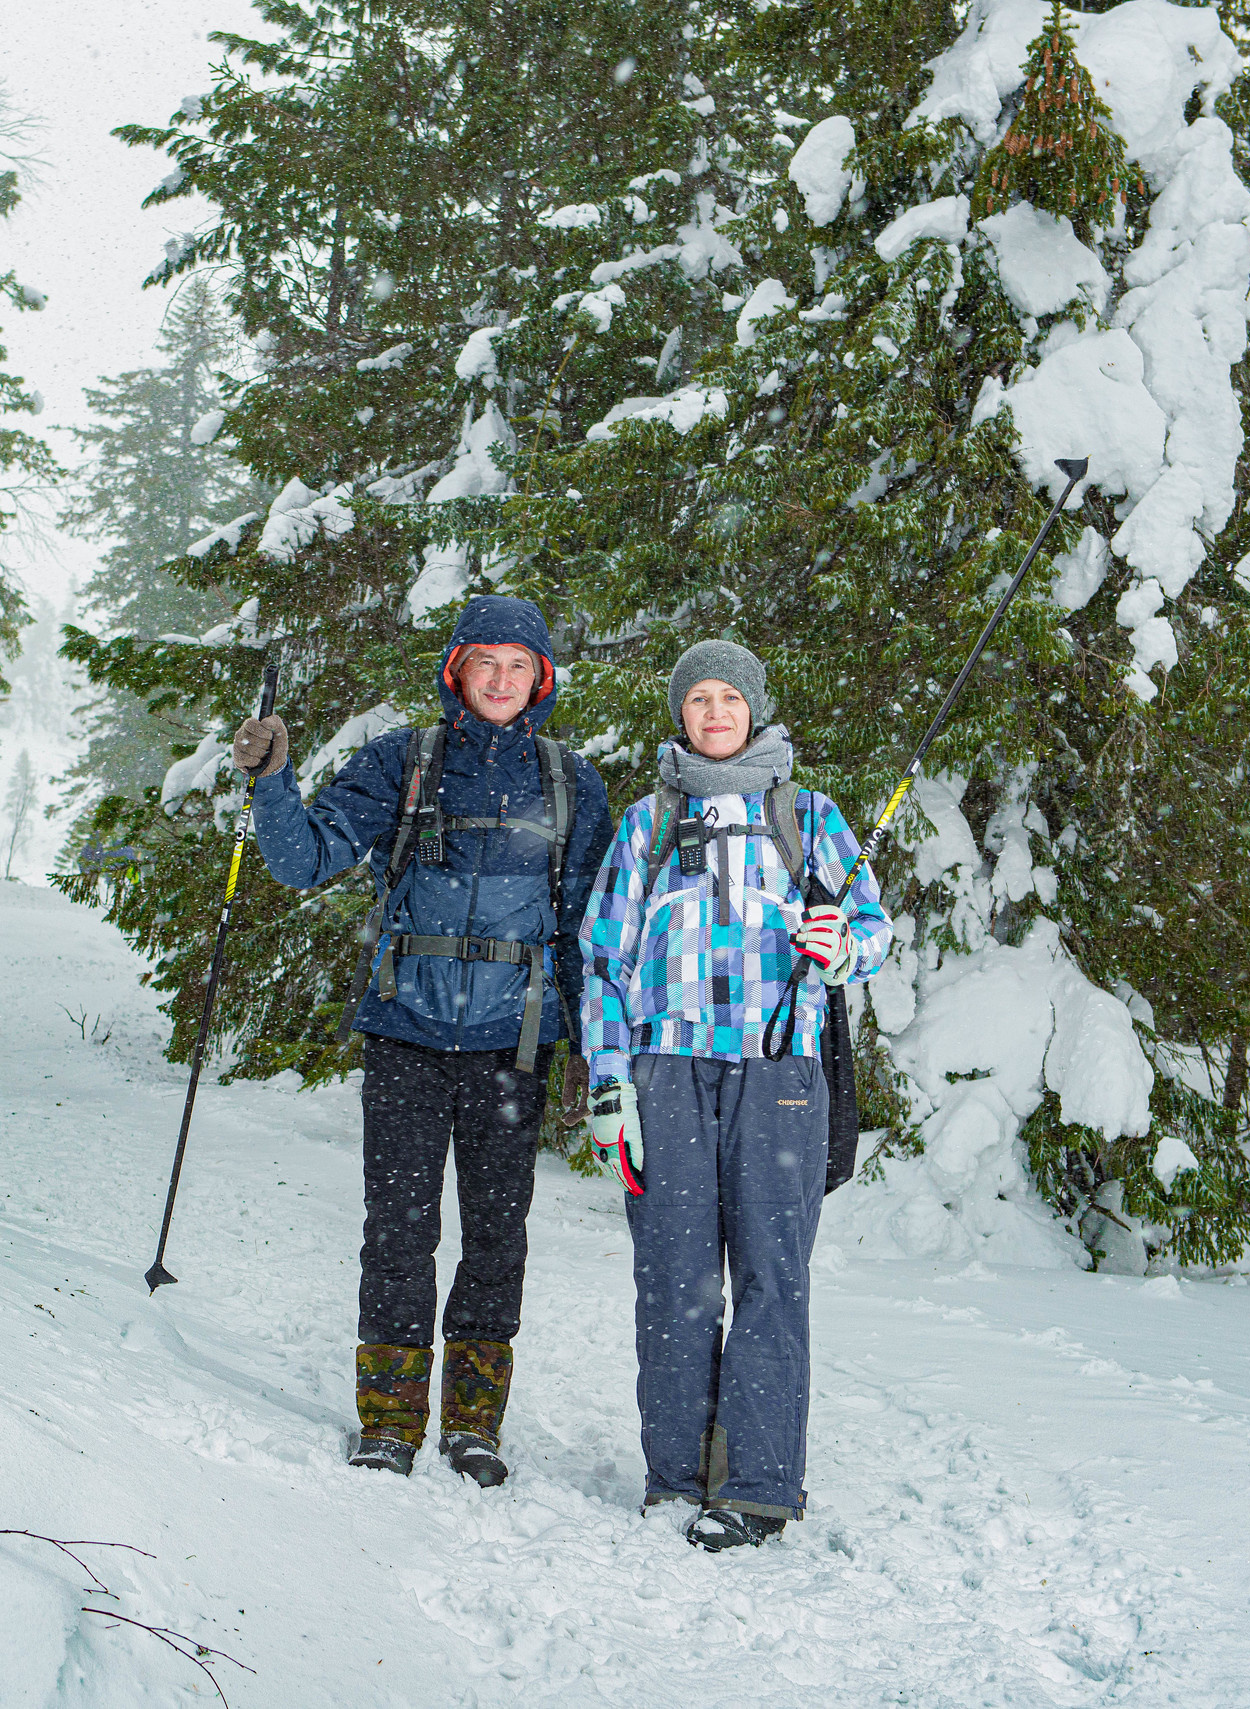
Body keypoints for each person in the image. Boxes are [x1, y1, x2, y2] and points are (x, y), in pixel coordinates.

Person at [232, 595, 612, 1486]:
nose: (502, 680)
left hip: (513, 1048)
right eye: (487, 662)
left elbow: (585, 928)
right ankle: (391, 1421)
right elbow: (307, 858)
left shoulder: (571, 783)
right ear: (456, 669)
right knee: (397, 1233)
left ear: (542, 680)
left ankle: (474, 1424)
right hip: (406, 1032)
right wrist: (272, 778)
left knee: (496, 1235)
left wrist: (600, 1057)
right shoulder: (403, 761)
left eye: (521, 667)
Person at [578, 639, 889, 1550]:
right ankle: (677, 1474)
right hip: (666, 1073)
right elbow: (603, 957)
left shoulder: (810, 815)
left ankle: (758, 1485)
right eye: (699, 699)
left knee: (770, 1276)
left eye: (730, 697)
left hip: (780, 1075)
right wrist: (607, 1078)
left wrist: (842, 946)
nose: (715, 713)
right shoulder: (646, 822)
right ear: (680, 714)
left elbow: (870, 929)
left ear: (755, 706)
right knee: (672, 1277)